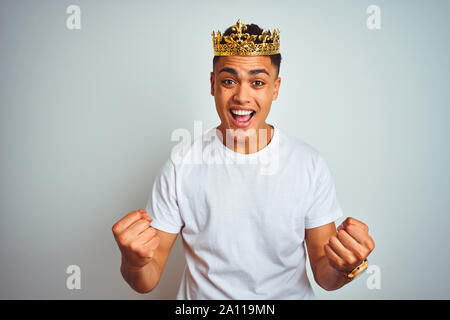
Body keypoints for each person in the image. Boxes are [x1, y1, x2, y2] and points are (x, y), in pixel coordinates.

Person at [112, 19, 375, 299]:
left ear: (275, 88)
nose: (242, 96)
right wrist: (133, 262)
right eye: (228, 81)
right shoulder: (181, 165)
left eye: (258, 82)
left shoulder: (308, 164)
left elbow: (325, 276)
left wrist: (346, 266)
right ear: (213, 84)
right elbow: (146, 279)